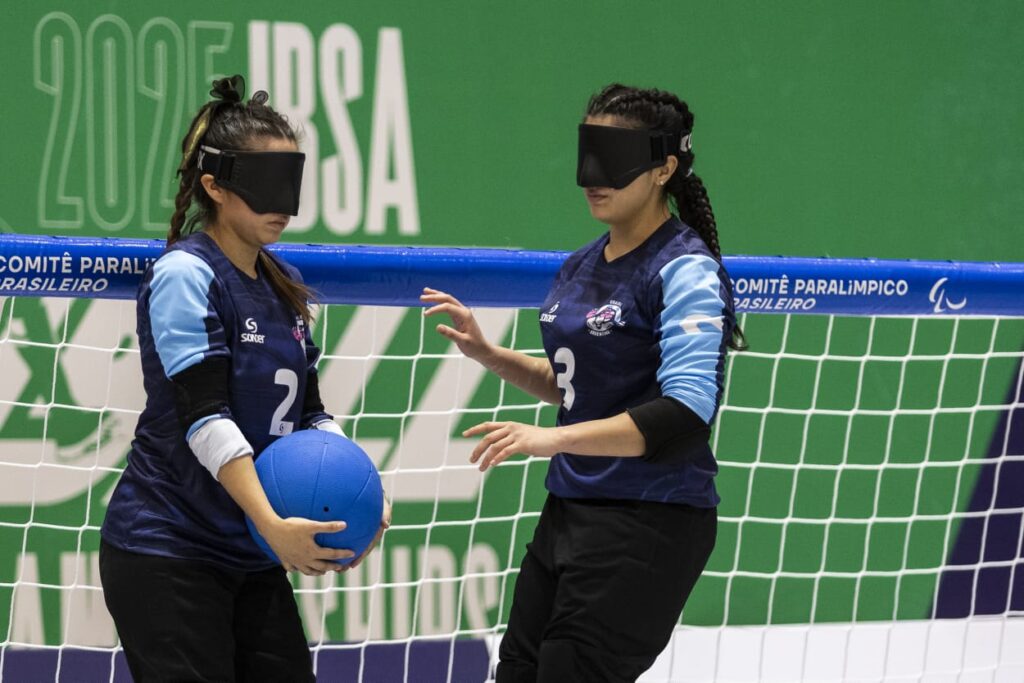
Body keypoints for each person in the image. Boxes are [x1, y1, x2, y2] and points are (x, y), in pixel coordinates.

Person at [422, 83, 745, 682]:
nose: (592, 176)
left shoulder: (684, 268)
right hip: (571, 508)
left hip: (650, 519)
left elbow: (684, 411)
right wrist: (490, 355)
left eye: (614, 157)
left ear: (663, 168)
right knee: (517, 670)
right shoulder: (580, 266)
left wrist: (551, 439)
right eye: (587, 152)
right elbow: (580, 388)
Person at [99, 75, 388, 682]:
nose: (281, 203)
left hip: (249, 552)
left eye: (291, 183)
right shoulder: (187, 274)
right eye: (264, 185)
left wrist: (367, 496)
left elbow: (310, 413)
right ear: (215, 185)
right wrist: (271, 524)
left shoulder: (280, 284)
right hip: (168, 547)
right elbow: (206, 418)